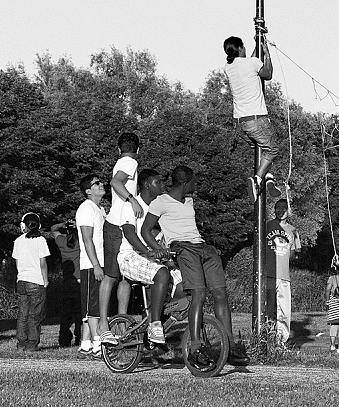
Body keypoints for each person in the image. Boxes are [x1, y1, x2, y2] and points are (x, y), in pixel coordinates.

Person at [143, 165, 248, 365]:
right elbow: (145, 230)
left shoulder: (189, 201)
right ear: (185, 183)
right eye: (193, 181)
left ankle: (230, 346)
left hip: (202, 247)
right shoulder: (160, 202)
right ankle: (195, 347)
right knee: (198, 294)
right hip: (183, 248)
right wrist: (159, 249)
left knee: (220, 293)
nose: (195, 185)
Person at [116, 168, 184, 345]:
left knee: (186, 283)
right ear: (147, 185)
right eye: (158, 182)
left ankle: (164, 319)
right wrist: (147, 252)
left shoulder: (160, 207)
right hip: (130, 257)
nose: (162, 186)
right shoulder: (131, 206)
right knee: (161, 273)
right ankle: (154, 325)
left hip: (155, 258)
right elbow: (130, 234)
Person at [97, 132, 145, 346]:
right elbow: (116, 182)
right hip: (117, 226)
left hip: (123, 225)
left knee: (125, 276)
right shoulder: (130, 162)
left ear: (118, 148)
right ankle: (103, 326)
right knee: (111, 276)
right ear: (138, 149)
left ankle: (122, 324)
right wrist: (132, 199)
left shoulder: (121, 161)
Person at [222, 34, 281, 202]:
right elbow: (267, 74)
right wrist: (267, 53)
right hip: (256, 119)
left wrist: (258, 42)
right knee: (272, 149)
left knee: (261, 150)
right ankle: (258, 179)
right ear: (241, 48)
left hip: (239, 123)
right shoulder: (252, 63)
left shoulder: (229, 67)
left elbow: (251, 62)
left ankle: (268, 176)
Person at [75, 174, 108, 356]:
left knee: (94, 304)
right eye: (97, 183)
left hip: (101, 261)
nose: (101, 184)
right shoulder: (86, 208)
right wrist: (95, 265)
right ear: (88, 191)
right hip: (91, 264)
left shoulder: (99, 209)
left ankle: (86, 342)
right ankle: (98, 343)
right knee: (93, 307)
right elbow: (87, 240)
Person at [11, 212, 52, 351]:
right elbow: (43, 264)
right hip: (36, 281)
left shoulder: (18, 241)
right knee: (35, 315)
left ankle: (21, 343)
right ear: (38, 225)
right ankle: (32, 344)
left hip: (21, 281)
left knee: (23, 314)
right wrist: (45, 281)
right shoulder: (40, 241)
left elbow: (17, 264)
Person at [263, 198, 300, 344]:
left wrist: (293, 251)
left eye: (283, 207)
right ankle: (267, 338)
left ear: (288, 211)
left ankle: (281, 341)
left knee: (284, 310)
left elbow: (295, 253)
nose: (280, 210)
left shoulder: (293, 231)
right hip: (269, 274)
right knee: (269, 308)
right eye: (278, 207)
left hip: (284, 276)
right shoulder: (267, 226)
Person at [49, 220, 83, 349]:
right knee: (80, 312)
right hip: (79, 280)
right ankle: (80, 337)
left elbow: (53, 229)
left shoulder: (62, 241)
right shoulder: (81, 242)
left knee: (66, 313)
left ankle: (64, 339)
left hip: (67, 280)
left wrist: (63, 224)